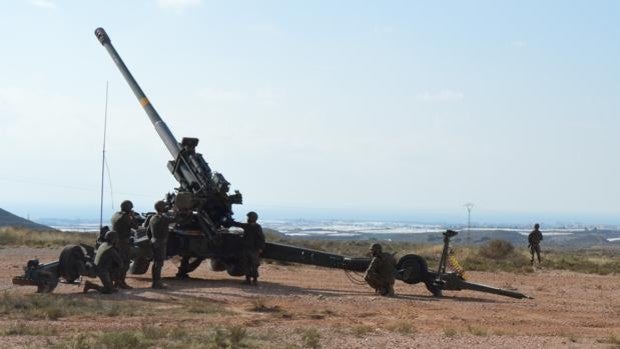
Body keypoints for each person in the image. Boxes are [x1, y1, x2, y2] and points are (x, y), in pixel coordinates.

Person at [148, 200, 177, 289]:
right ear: (161, 208)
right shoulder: (162, 218)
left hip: (154, 241)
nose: (166, 208)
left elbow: (148, 231)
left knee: (157, 262)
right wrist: (177, 211)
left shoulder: (153, 217)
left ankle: (155, 282)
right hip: (160, 243)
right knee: (159, 263)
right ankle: (157, 283)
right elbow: (176, 219)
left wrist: (152, 239)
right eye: (165, 206)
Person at [232, 211, 265, 285]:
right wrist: (231, 221)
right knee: (246, 264)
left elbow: (262, 238)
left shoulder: (257, 227)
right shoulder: (248, 226)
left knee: (254, 264)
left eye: (248, 217)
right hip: (247, 249)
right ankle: (248, 280)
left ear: (252, 218)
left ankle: (255, 280)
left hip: (254, 249)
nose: (247, 219)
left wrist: (260, 248)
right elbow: (238, 224)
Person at [110, 200, 138, 289]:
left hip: (115, 242)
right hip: (123, 243)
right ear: (128, 208)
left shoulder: (116, 214)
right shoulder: (125, 217)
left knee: (116, 262)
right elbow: (135, 226)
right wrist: (133, 216)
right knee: (125, 262)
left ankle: (114, 281)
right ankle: (121, 282)